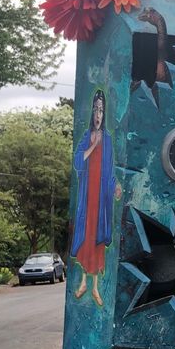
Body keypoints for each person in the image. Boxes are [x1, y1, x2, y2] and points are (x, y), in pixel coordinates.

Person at [71, 90, 121, 307]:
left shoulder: (108, 140)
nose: (98, 114)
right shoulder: (86, 137)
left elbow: (109, 173)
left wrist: (115, 188)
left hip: (100, 200)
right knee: (86, 235)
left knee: (98, 237)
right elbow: (77, 162)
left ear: (105, 113)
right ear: (91, 113)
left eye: (101, 110)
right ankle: (83, 282)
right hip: (86, 195)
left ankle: (95, 287)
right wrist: (93, 145)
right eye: (95, 110)